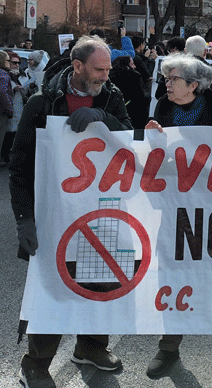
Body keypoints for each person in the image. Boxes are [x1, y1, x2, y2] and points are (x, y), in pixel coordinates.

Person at [10, 35, 132, 388]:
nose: (106, 76)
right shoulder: (42, 102)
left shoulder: (112, 96)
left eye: (108, 69)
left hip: (102, 209)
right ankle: (35, 363)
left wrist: (104, 117)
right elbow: (19, 166)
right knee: (53, 286)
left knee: (103, 282)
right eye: (99, 69)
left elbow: (129, 137)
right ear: (77, 66)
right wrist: (24, 220)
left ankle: (91, 347)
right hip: (54, 214)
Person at [144, 53, 212, 378]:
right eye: (166, 78)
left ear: (193, 84)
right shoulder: (162, 107)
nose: (166, 83)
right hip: (175, 210)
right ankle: (168, 349)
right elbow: (155, 158)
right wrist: (152, 136)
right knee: (174, 277)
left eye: (172, 79)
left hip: (209, 213)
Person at [1, 51, 30, 165]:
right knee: (7, 132)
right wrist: (13, 90)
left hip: (19, 105)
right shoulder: (5, 75)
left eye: (18, 63)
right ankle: (4, 155)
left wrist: (28, 87)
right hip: (8, 106)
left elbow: (27, 89)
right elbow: (3, 92)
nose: (16, 65)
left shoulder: (23, 75)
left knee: (15, 131)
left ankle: (9, 154)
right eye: (13, 62)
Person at [110, 56, 151, 129]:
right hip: (135, 114)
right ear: (126, 65)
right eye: (132, 64)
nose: (134, 66)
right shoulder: (134, 76)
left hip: (115, 116)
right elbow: (141, 98)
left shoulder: (109, 77)